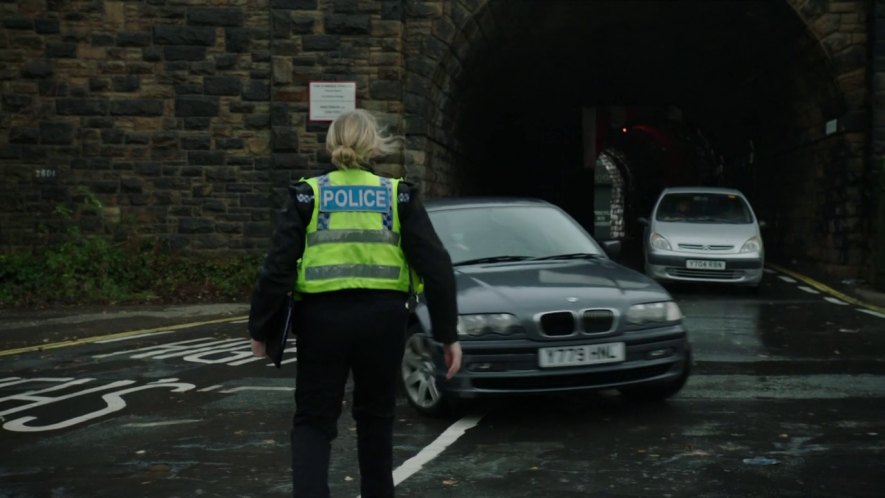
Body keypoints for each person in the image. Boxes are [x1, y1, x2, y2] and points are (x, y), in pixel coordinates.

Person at [247, 109, 462, 498]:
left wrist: (261, 328)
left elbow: (276, 270)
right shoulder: (399, 195)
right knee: (376, 419)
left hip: (321, 321)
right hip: (383, 321)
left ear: (332, 143)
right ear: (374, 145)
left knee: (313, 421)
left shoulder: (307, 195)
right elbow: (439, 268)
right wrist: (448, 335)